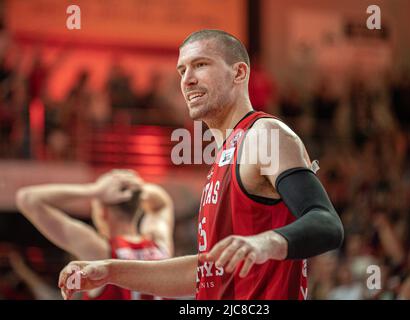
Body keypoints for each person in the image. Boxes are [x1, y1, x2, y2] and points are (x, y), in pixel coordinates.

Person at [59, 29, 344, 300]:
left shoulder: (265, 135)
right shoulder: (221, 158)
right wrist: (111, 271)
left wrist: (264, 243)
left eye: (200, 65)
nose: (187, 79)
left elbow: (326, 223)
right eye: (182, 70)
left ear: (239, 73)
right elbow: (206, 272)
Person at [16, 169, 174, 299]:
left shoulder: (100, 252)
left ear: (102, 212)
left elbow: (27, 198)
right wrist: (135, 189)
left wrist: (93, 190)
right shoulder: (159, 244)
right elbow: (162, 203)